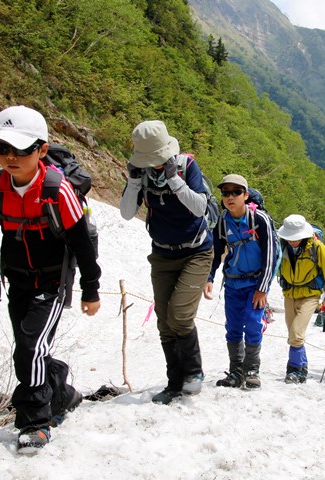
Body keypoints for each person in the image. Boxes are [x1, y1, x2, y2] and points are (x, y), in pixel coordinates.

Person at [0, 106, 101, 452]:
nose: (11, 157)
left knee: (29, 348)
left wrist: (91, 289)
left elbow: (81, 243)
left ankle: (35, 422)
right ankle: (61, 390)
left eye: (22, 149)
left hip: (53, 281)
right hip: (17, 281)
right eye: (2, 148)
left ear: (41, 150)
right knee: (31, 350)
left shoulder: (57, 190)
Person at [120, 120, 213, 405]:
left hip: (196, 252)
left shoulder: (186, 167)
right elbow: (126, 212)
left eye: (157, 160)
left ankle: (194, 372)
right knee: (164, 320)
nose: (154, 165)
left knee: (180, 315)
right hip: (162, 254)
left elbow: (199, 207)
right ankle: (174, 382)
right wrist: (135, 180)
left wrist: (174, 179)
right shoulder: (143, 175)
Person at [203, 174, 278, 389]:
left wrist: (263, 289)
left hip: (255, 284)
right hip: (233, 283)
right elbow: (216, 253)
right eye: (226, 192)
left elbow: (270, 255)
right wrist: (209, 278)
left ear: (245, 195)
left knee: (253, 324)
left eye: (236, 192)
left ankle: (252, 369)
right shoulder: (222, 222)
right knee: (233, 326)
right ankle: (236, 371)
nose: (230, 196)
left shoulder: (259, 219)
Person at [277, 214, 325, 384]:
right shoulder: (282, 246)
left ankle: (294, 370)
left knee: (296, 333)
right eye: (289, 238)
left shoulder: (316, 247)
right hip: (289, 293)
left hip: (310, 295)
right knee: (293, 334)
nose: (292, 241)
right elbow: (274, 266)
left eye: (295, 238)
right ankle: (302, 366)